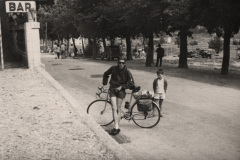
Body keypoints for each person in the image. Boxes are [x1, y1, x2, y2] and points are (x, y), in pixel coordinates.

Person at [102, 54, 135, 135]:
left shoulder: (127, 71)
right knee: (114, 108)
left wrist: (122, 87)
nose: (121, 64)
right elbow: (105, 74)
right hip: (112, 89)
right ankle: (116, 127)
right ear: (117, 62)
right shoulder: (113, 68)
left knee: (118, 109)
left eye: (123, 63)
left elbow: (131, 83)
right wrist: (105, 84)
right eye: (119, 62)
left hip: (121, 91)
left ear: (125, 63)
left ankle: (117, 126)